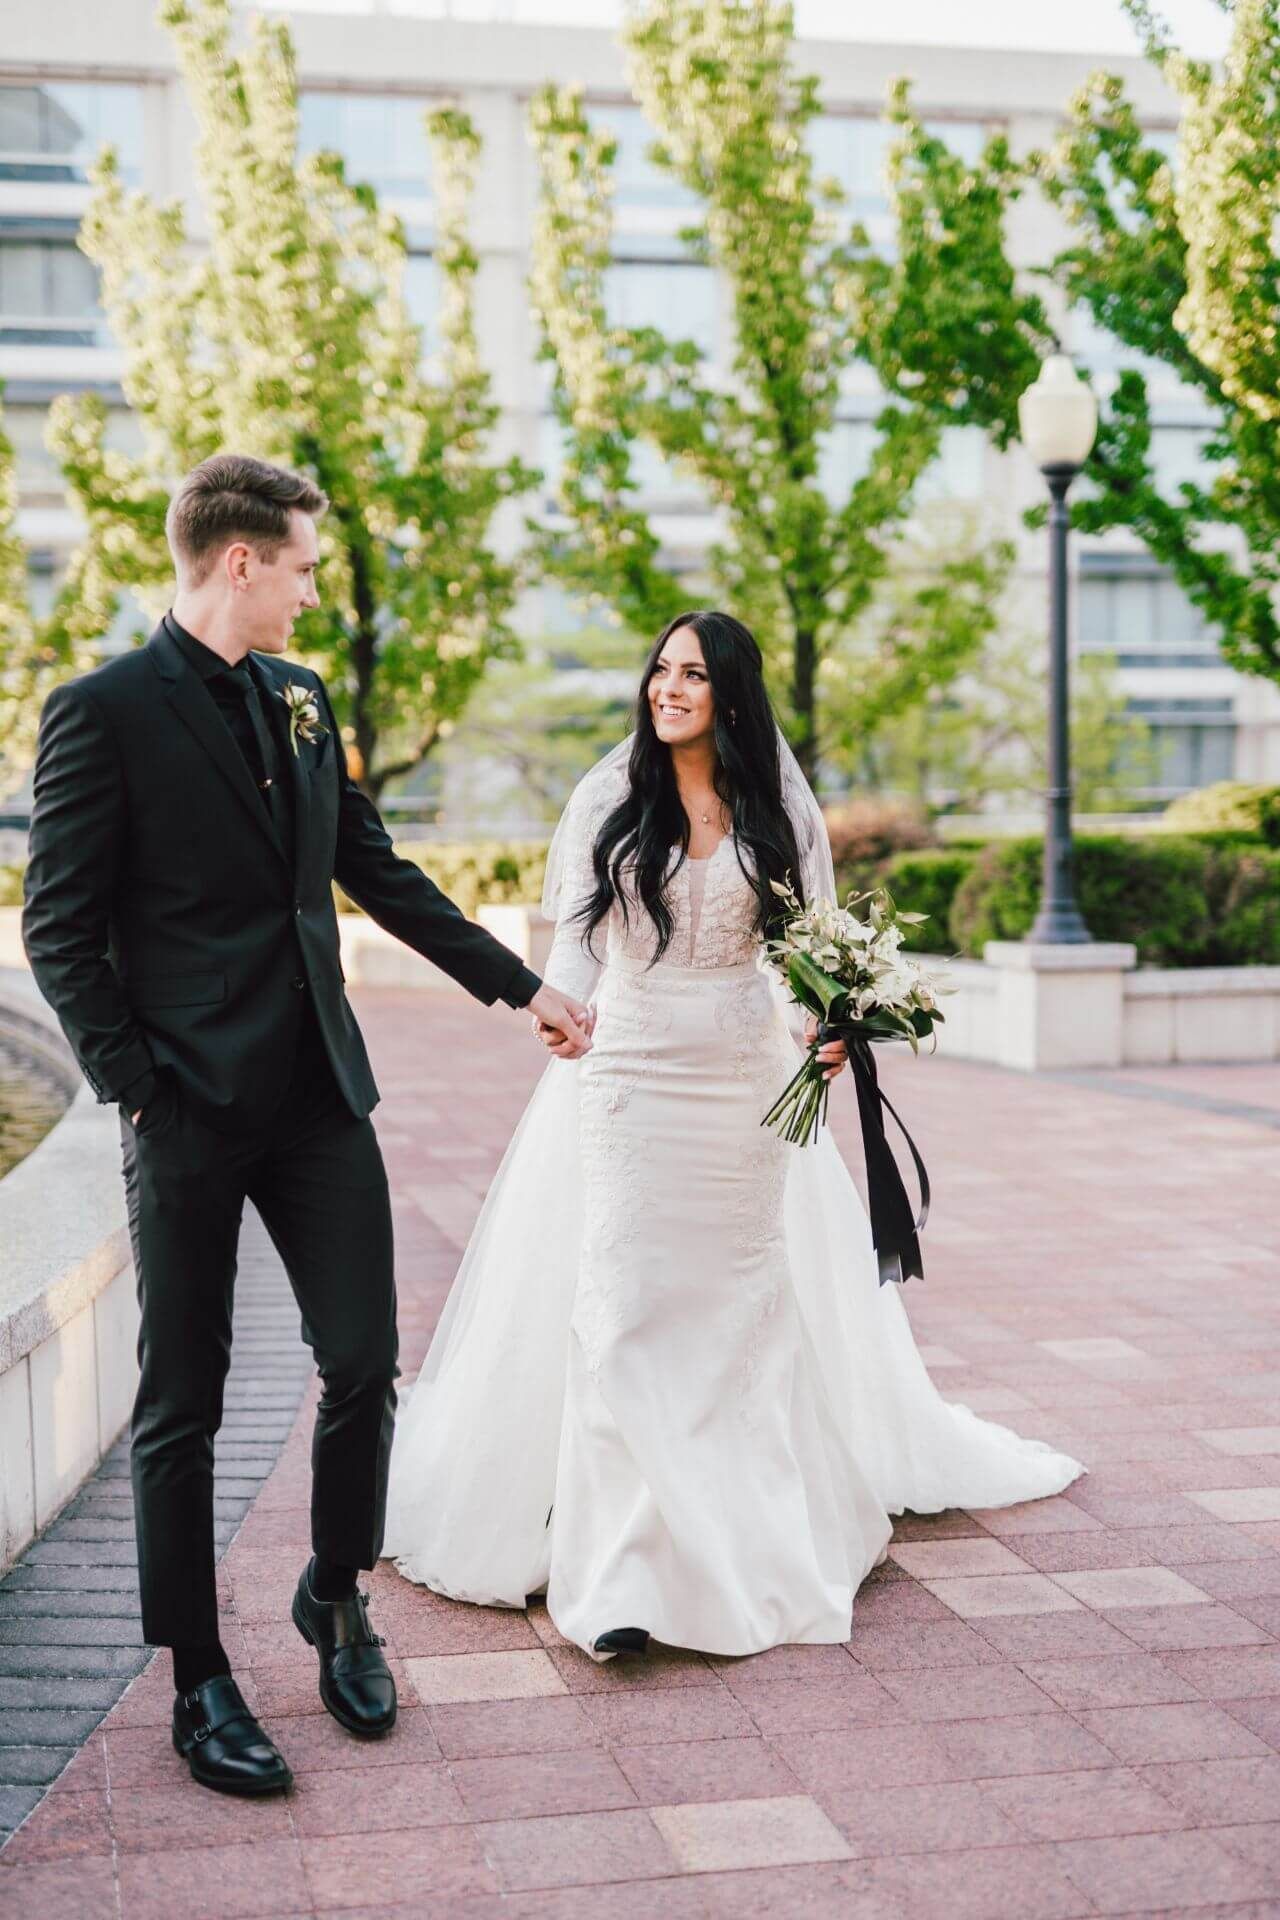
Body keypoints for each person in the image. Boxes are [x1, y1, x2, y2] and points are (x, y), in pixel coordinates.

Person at [21, 452, 592, 1795]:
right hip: (187, 1111)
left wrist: (521, 985)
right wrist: (140, 1086)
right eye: (302, 569)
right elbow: (57, 927)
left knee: (360, 1362)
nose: (309, 592)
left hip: (320, 1096)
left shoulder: (303, 701)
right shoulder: (100, 711)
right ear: (239, 562)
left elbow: (373, 870)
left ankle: (335, 1595)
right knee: (185, 1402)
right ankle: (197, 1679)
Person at [385, 609, 1085, 1660]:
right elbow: (574, 938)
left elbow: (806, 951)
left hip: (742, 1087)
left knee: (731, 1310)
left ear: (731, 694)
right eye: (660, 669)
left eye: (693, 674)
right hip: (624, 1073)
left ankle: (744, 1542)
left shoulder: (776, 811)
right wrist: (553, 1005)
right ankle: (617, 1576)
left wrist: (824, 1026)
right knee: (620, 1309)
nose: (667, 688)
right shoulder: (607, 796)